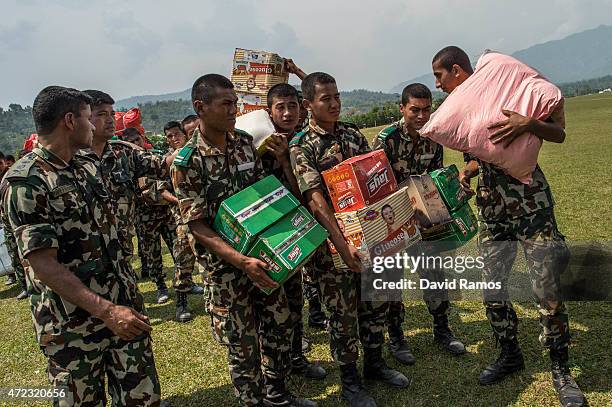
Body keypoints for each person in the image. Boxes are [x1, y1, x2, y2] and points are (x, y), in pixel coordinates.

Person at [432, 45, 584, 407]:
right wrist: (467, 175)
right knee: (492, 287)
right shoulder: (465, 109)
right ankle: (509, 353)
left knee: (545, 288)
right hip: (492, 210)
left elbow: (559, 133)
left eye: (439, 76)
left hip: (531, 207)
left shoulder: (505, 92)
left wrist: (529, 124)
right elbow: (477, 158)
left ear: (456, 70)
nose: (437, 85)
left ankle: (561, 369)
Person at [3, 86, 160, 406]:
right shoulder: (27, 182)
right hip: (72, 329)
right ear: (70, 121)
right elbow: (43, 264)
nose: (95, 126)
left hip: (124, 309)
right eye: (90, 118)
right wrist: (108, 312)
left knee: (143, 399)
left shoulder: (88, 163)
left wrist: (122, 306)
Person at [172, 74, 315, 407]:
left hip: (262, 259)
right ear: (200, 107)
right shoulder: (187, 161)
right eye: (226, 104)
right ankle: (252, 401)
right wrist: (241, 262)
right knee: (242, 344)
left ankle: (277, 394)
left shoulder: (244, 142)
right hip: (226, 270)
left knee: (280, 326)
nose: (234, 110)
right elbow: (197, 225)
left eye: (236, 103)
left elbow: (264, 196)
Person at [290, 72, 409, 407]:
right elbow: (315, 200)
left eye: (337, 96)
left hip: (371, 238)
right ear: (308, 104)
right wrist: (343, 246)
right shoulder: (302, 146)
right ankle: (351, 382)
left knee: (375, 304)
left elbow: (378, 178)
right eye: (325, 98)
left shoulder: (353, 134)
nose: (334, 104)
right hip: (333, 250)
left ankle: (374, 364)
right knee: (342, 315)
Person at [372, 83, 466, 366]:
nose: (422, 115)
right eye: (415, 109)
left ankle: (442, 329)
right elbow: (375, 185)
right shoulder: (386, 140)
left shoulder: (433, 137)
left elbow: (432, 177)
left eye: (427, 109)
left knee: (433, 273)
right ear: (402, 109)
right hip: (393, 221)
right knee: (392, 281)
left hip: (424, 220)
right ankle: (397, 337)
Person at [80, 90, 172, 300]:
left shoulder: (123, 152)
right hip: (87, 255)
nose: (111, 120)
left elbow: (162, 165)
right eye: (102, 114)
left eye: (112, 114)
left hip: (122, 248)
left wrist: (194, 141)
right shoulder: (71, 160)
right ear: (84, 117)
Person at [263, 82, 327, 380]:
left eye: (293, 106)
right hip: (272, 235)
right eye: (281, 107)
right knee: (275, 309)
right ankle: (278, 371)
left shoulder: (303, 141)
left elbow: (301, 195)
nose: (288, 113)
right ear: (269, 111)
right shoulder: (258, 146)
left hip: (301, 229)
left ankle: (297, 359)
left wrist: (286, 161)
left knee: (296, 298)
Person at [158, 120, 205, 322]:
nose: (174, 138)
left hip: (204, 217)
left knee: (208, 263)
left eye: (177, 134)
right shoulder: (166, 161)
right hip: (182, 220)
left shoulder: (199, 154)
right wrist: (181, 201)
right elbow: (160, 189)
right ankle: (181, 303)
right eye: (169, 136)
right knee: (183, 262)